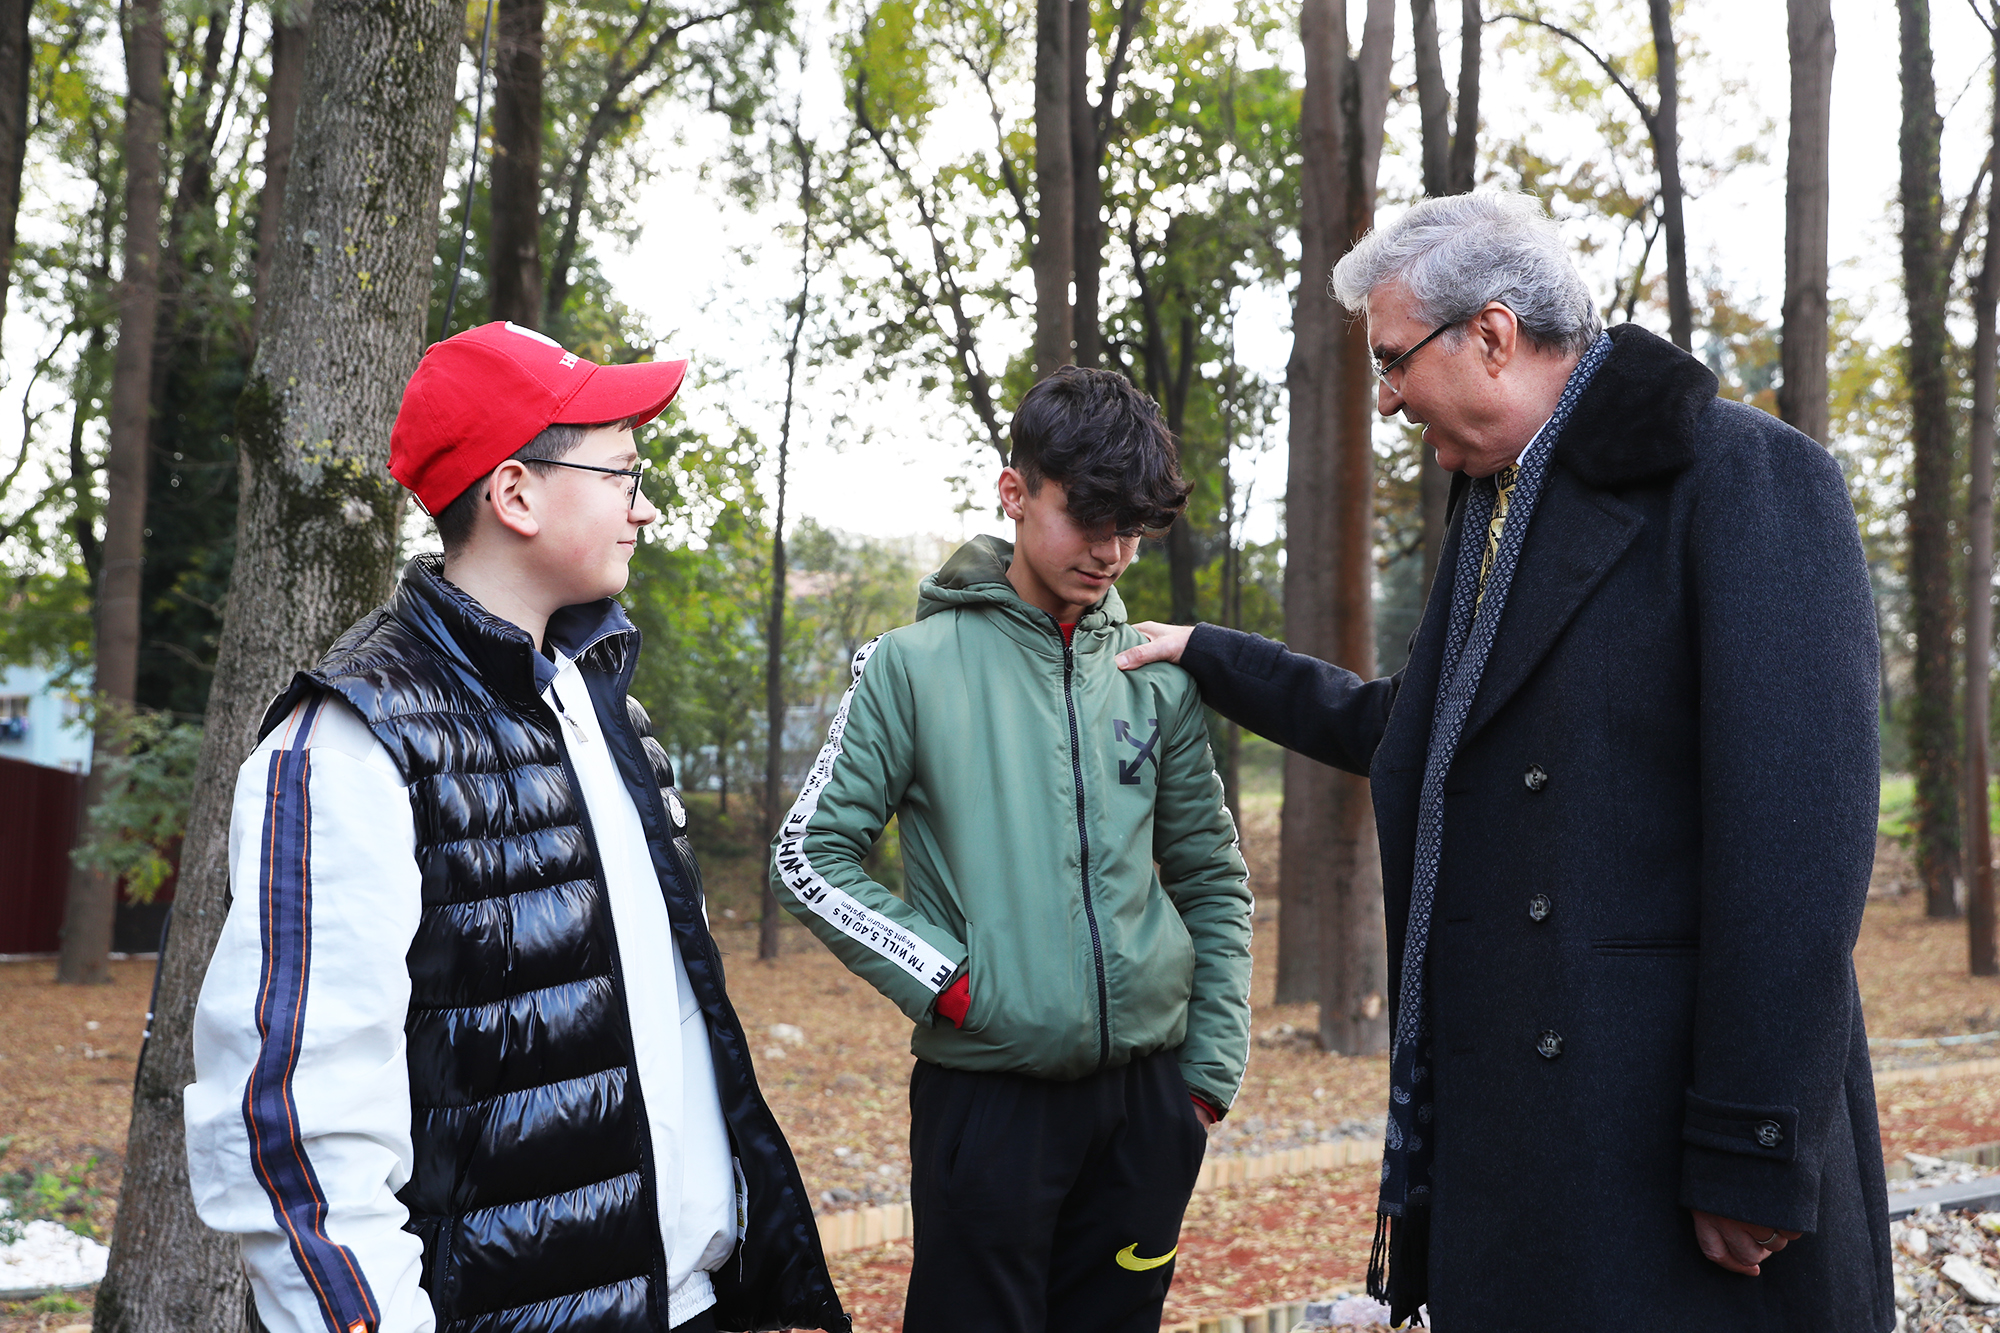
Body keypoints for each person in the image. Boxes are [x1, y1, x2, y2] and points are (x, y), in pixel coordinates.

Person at [1116, 194, 1893, 1331]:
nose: (1381, 398)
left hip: (1666, 1144)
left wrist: (1749, 1144)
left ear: (1489, 334)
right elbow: (1422, 734)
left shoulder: (1744, 481)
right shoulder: (1495, 509)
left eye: (1390, 361)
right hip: (1525, 1142)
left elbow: (1796, 841)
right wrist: (1210, 656)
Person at [184, 321, 846, 1333]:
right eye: (622, 474)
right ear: (516, 494)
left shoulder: (605, 709)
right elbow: (296, 1131)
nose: (646, 505)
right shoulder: (349, 745)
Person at [770, 366, 1253, 1333]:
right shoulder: (908, 666)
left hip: (1148, 1108)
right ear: (1015, 491)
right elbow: (808, 854)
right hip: (986, 1108)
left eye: (1133, 529)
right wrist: (950, 981)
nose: (1112, 551)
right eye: (1090, 518)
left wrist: (1204, 1077)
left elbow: (1210, 874)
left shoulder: (1155, 677)